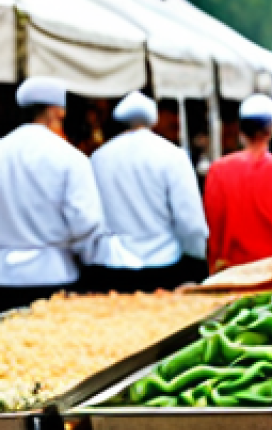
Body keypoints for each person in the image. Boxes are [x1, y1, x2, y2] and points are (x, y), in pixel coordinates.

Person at [0, 77, 138, 312]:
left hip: (5, 277)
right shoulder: (69, 157)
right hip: (54, 275)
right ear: (58, 111)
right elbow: (85, 222)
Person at [89, 91, 209, 292]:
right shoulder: (173, 155)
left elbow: (91, 215)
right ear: (154, 119)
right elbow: (190, 221)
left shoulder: (98, 157)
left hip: (113, 265)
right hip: (164, 265)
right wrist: (198, 257)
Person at [203, 94, 272, 273]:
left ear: (241, 130)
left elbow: (213, 227)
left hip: (235, 275)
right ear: (271, 130)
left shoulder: (218, 170)